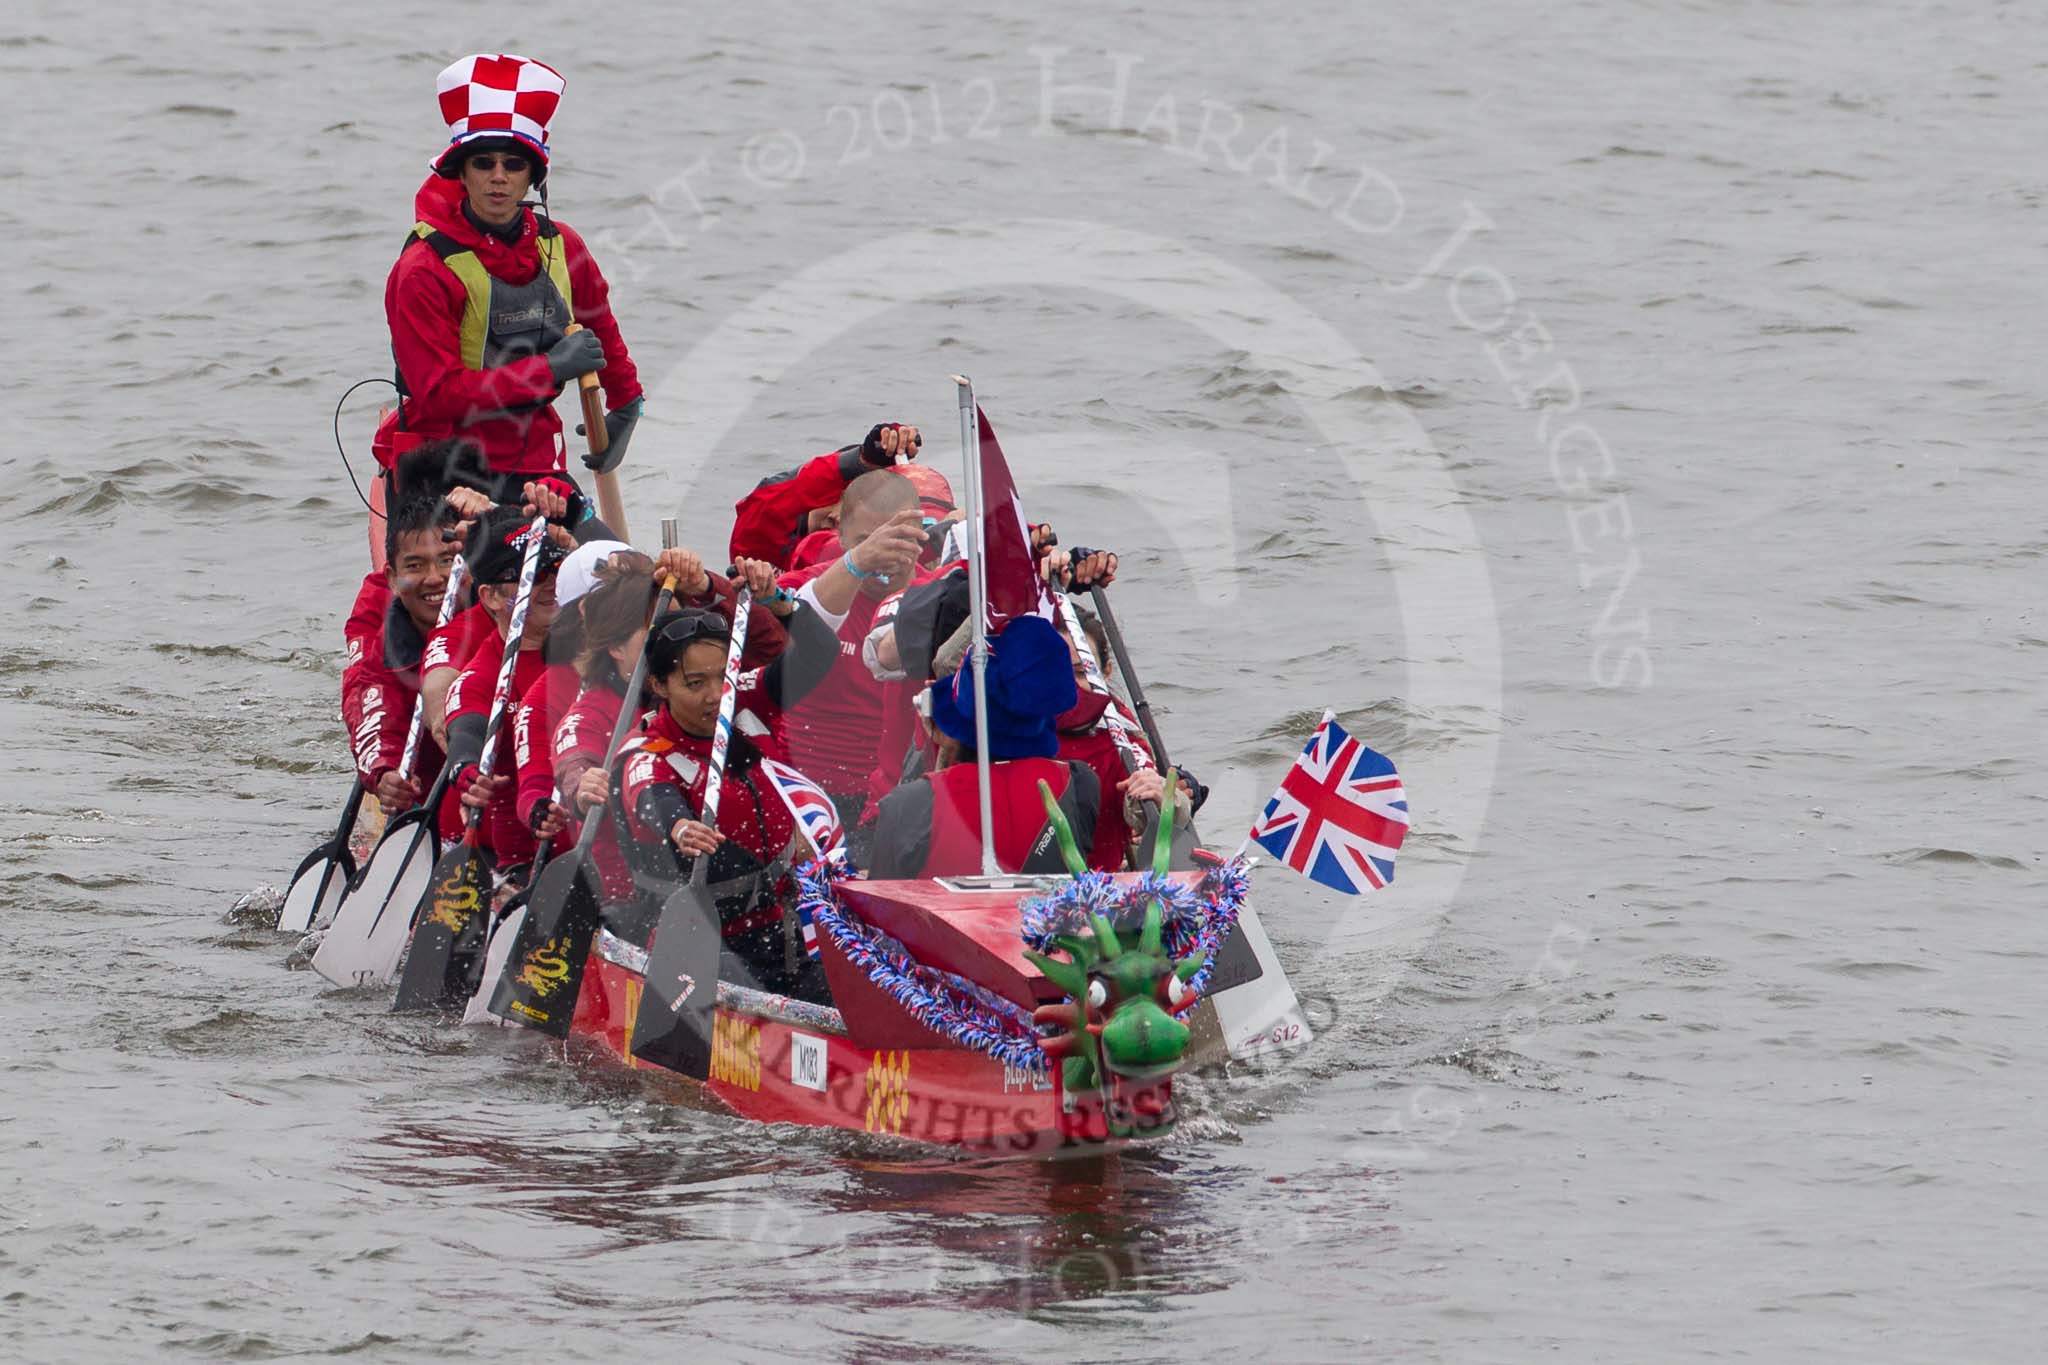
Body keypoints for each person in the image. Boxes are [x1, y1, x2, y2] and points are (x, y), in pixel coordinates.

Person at [374, 53, 642, 497]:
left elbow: (600, 331)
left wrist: (627, 402)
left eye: (513, 165)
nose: (498, 178)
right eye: (483, 163)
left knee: (615, 567)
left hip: (535, 464)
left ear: (533, 177)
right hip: (441, 469)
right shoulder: (422, 270)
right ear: (460, 172)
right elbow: (441, 396)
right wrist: (550, 368)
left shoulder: (562, 245)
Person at [772, 472, 937, 853]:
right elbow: (763, 624)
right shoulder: (806, 587)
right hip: (802, 786)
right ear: (841, 538)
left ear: (919, 536)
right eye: (866, 542)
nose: (882, 554)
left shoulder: (939, 597)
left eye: (894, 540)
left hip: (896, 796)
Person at [868, 615, 1105, 878]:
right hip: (1043, 917)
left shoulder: (909, 803)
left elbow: (882, 903)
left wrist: (948, 747)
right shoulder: (1081, 784)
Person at [341, 494, 478, 813]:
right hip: (428, 790)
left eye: (446, 561)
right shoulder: (383, 647)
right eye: (415, 565)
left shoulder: (498, 613)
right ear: (391, 577)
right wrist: (384, 772)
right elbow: (372, 710)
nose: (434, 578)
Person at [728, 422, 921, 569]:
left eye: (853, 509)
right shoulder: (768, 538)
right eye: (840, 499)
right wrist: (862, 460)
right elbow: (769, 504)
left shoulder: (889, 562)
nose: (837, 518)